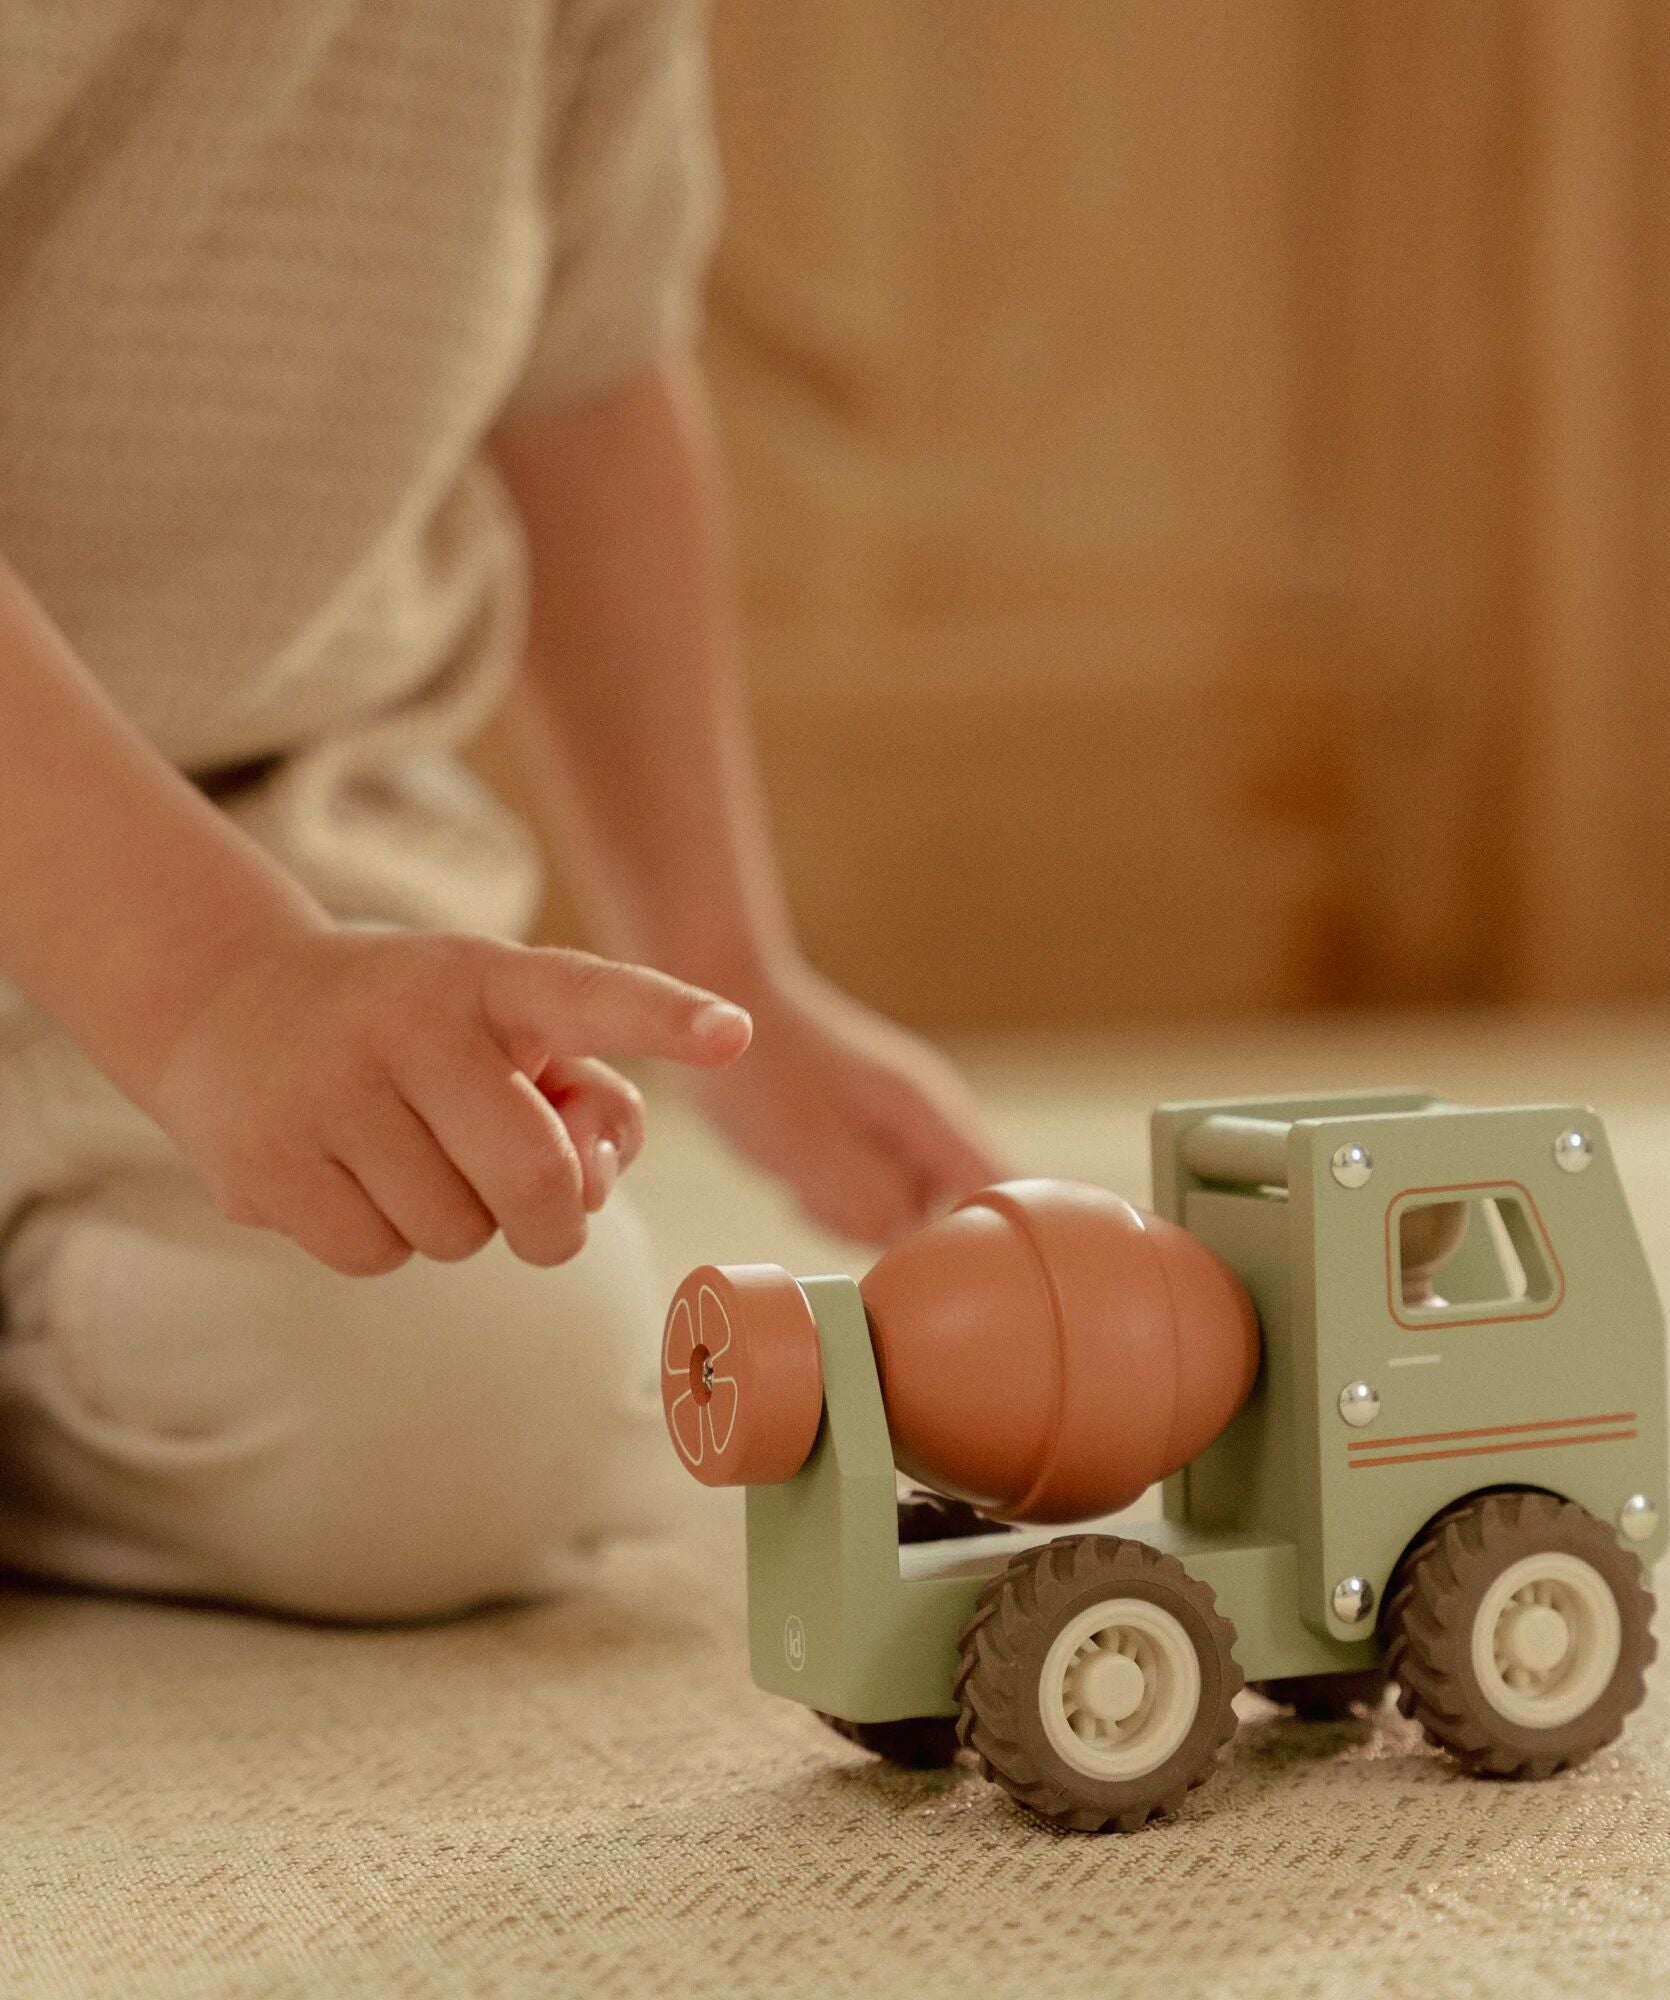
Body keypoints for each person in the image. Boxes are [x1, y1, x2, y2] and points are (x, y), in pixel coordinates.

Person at [0, 1, 1005, 1622]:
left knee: (482, 1409)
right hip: (215, 953)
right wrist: (208, 984)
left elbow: (587, 369)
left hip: (283, 869)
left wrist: (726, 954)